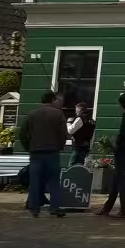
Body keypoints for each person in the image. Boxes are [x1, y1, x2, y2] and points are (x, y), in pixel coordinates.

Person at [96, 92, 125, 218]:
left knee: (121, 182)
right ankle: (107, 208)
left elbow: (124, 137)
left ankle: (124, 210)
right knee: (116, 181)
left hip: (123, 154)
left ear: (121, 104)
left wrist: (115, 145)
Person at [24, 90, 68, 218]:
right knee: (54, 181)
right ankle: (55, 208)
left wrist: (29, 147)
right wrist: (60, 145)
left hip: (36, 153)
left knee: (35, 180)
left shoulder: (32, 114)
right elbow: (63, 134)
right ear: (53, 100)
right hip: (52, 153)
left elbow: (23, 133)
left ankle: (34, 208)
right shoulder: (58, 114)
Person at [67, 101, 96, 167]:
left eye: (76, 110)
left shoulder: (80, 118)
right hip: (86, 147)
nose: (76, 112)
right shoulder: (92, 121)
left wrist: (68, 122)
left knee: (72, 166)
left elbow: (70, 130)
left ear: (80, 109)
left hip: (78, 147)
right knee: (80, 167)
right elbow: (92, 136)